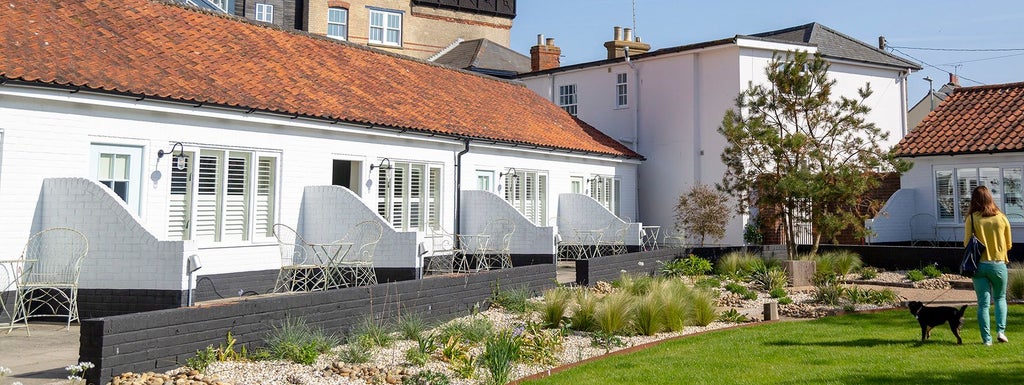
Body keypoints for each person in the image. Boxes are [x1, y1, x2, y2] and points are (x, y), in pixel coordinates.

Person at [965, 185, 1013, 345]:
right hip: (998, 264)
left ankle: (987, 340)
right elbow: (1009, 244)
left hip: (978, 266)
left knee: (983, 304)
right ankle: (1001, 331)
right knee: (1000, 298)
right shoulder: (1001, 217)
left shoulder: (972, 218)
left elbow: (967, 243)